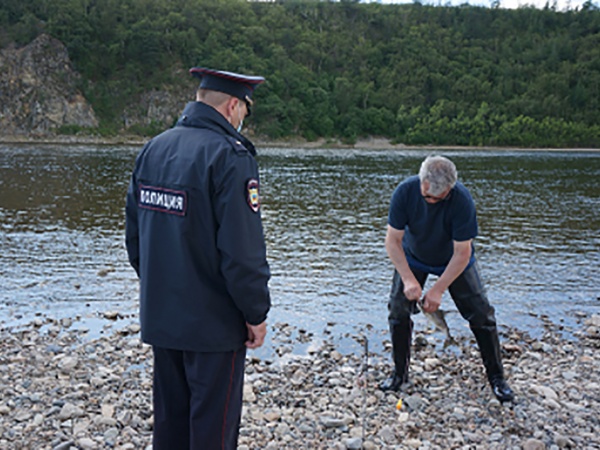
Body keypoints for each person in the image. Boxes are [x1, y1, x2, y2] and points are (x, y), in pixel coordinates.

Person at [125, 67, 272, 449]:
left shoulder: (153, 149)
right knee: (212, 430)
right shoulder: (229, 156)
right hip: (213, 325)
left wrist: (161, 286)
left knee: (170, 423)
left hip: (163, 316)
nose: (243, 120)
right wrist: (255, 313)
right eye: (245, 111)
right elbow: (242, 253)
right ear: (233, 106)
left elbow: (136, 239)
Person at [380, 155, 514, 403]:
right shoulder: (405, 192)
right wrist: (409, 280)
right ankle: (399, 374)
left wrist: (438, 290)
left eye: (437, 199)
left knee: (482, 314)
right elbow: (392, 242)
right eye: (427, 196)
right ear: (422, 182)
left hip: (452, 260)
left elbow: (463, 253)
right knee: (397, 309)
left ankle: (497, 378)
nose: (430, 201)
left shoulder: (462, 201)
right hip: (413, 256)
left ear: (449, 190)